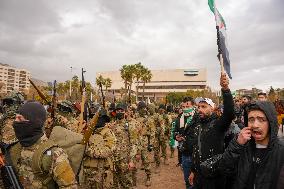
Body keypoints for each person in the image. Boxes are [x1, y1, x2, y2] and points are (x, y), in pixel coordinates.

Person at [10, 101, 78, 188]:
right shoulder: (15, 148)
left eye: (20, 119)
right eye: (15, 118)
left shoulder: (54, 154)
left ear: (34, 122)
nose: (15, 123)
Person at [218, 101, 284, 189]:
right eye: (251, 120)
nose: (255, 125)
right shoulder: (241, 145)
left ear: (271, 123)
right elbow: (224, 169)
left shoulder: (281, 151)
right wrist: (236, 145)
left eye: (262, 120)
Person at [189, 73, 235, 189]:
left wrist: (225, 89)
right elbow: (196, 150)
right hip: (199, 176)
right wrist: (193, 171)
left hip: (214, 178)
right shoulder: (198, 125)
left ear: (212, 108)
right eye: (198, 107)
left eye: (204, 107)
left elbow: (229, 113)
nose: (199, 109)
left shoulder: (218, 124)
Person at [82, 108, 117, 189]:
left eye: (98, 118)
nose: (94, 120)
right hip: (88, 172)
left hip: (102, 173)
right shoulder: (88, 132)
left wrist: (89, 150)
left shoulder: (108, 133)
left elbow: (108, 151)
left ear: (104, 120)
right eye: (92, 117)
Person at [110, 103, 139, 188]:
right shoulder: (112, 125)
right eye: (117, 110)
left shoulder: (130, 126)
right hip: (114, 160)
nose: (119, 112)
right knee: (115, 184)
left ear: (125, 112)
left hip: (125, 160)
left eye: (121, 110)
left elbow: (134, 144)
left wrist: (131, 160)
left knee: (126, 183)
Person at [174, 97, 196, 189]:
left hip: (197, 154)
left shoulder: (198, 117)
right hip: (185, 154)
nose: (186, 108)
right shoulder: (179, 118)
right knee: (188, 181)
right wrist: (176, 136)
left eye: (188, 106)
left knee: (198, 181)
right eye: (183, 106)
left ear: (193, 106)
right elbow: (175, 131)